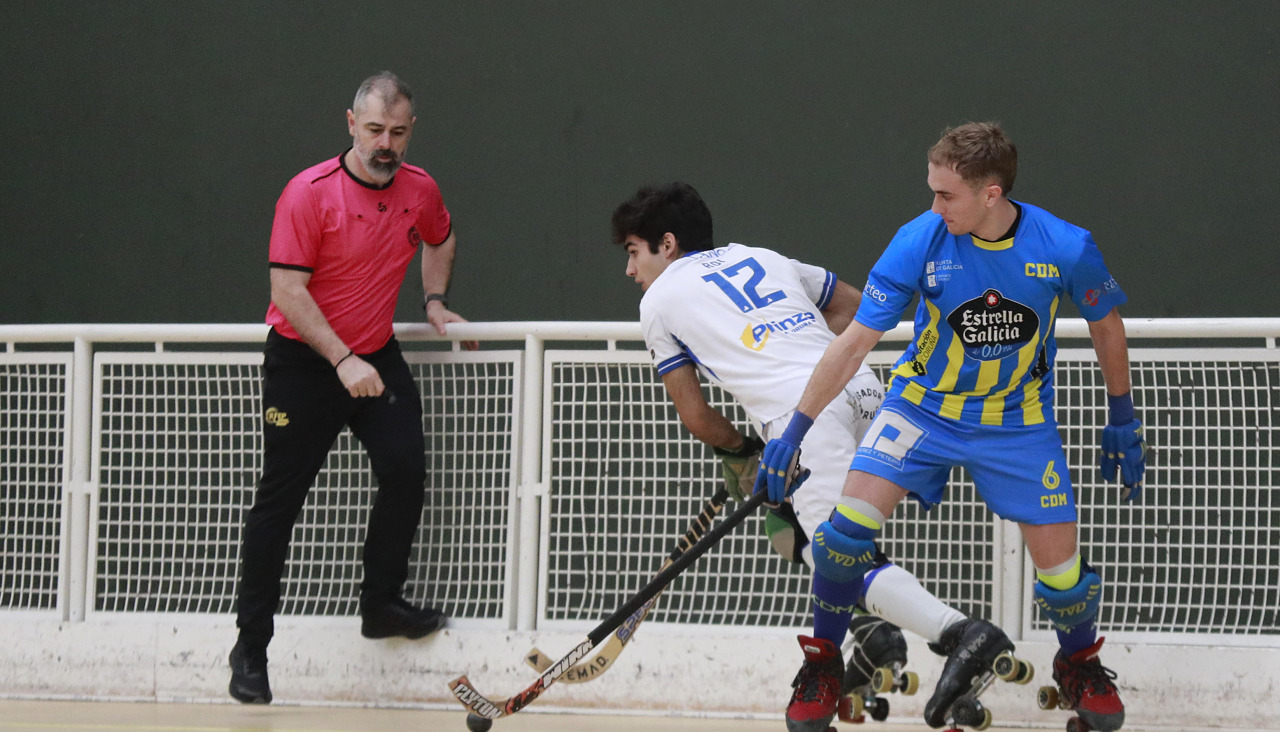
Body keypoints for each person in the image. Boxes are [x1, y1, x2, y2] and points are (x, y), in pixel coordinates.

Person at [757, 122, 1144, 732]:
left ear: (991, 193)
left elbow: (1107, 325)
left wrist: (1121, 418)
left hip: (1017, 423)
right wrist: (794, 429)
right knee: (840, 537)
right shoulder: (920, 239)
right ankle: (825, 664)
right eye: (932, 191)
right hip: (922, 411)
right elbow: (855, 340)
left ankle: (1079, 666)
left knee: (1064, 580)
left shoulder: (1066, 247)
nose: (934, 206)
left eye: (946, 195)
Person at [611, 182, 975, 732]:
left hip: (801, 420)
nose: (631, 269)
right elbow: (854, 307)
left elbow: (696, 415)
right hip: (862, 391)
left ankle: (960, 634)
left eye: (633, 252)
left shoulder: (657, 303)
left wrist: (740, 452)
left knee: (838, 555)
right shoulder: (761, 256)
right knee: (792, 532)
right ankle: (871, 636)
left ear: (667, 244)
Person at [228, 71, 474, 705]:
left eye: (396, 132)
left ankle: (381, 605)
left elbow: (440, 237)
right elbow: (288, 291)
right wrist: (340, 359)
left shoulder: (419, 189)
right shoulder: (308, 194)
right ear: (350, 125)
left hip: (375, 355)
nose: (384, 144)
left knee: (406, 470)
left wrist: (436, 301)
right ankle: (250, 649)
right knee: (278, 503)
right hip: (305, 362)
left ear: (410, 130)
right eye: (372, 131)